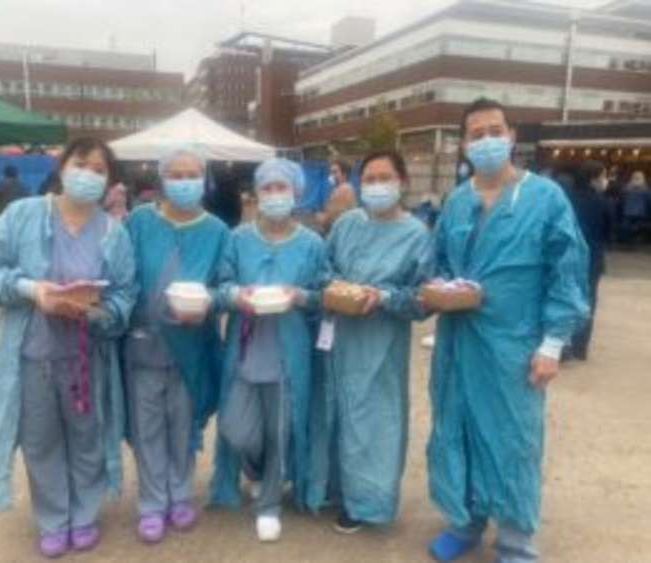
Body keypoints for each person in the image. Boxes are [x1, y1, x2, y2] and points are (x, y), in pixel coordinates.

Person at [426, 98, 588, 563]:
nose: (486, 140)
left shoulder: (544, 198)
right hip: (458, 343)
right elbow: (438, 264)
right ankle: (465, 522)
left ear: (512, 135)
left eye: (494, 130)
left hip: (513, 345)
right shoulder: (456, 201)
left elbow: (567, 271)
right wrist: (438, 286)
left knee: (515, 439)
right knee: (458, 430)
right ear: (463, 143)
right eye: (476, 134)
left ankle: (516, 539)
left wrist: (553, 344)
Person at [0, 138, 137, 559]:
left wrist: (94, 311)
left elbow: (124, 295)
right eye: (82, 164)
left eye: (100, 170)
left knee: (87, 438)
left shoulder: (114, 233)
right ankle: (52, 519)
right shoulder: (23, 216)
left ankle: (82, 515)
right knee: (40, 439)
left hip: (86, 358)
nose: (89, 175)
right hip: (33, 355)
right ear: (62, 166)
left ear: (109, 181)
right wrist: (33, 291)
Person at [307, 151, 434, 534]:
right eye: (370, 178)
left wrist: (384, 298)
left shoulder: (417, 235)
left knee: (372, 420)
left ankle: (367, 502)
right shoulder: (346, 224)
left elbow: (422, 298)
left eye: (385, 177)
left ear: (403, 182)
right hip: (336, 335)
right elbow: (322, 269)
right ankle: (331, 488)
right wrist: (334, 287)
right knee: (332, 412)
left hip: (379, 343)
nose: (376, 186)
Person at [209, 158, 326, 542]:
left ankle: (270, 502)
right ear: (256, 195)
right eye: (268, 189)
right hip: (244, 349)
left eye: (283, 188)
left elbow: (324, 293)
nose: (275, 195)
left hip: (288, 353)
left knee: (280, 430)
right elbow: (221, 285)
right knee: (238, 428)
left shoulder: (311, 243)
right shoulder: (238, 238)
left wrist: (301, 296)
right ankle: (256, 472)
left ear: (296, 193)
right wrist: (235, 295)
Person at [124, 146, 229, 544]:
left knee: (183, 424)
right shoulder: (138, 221)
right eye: (177, 174)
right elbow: (122, 273)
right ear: (162, 178)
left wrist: (208, 304)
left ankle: (180, 494)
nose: (184, 182)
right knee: (147, 426)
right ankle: (152, 504)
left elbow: (225, 284)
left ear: (204, 180)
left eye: (192, 175)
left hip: (192, 344)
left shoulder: (217, 231)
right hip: (143, 343)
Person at [564, 161, 613, 360]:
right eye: (603, 176)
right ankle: (580, 347)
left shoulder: (566, 198)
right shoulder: (603, 202)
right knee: (588, 300)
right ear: (594, 178)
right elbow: (609, 232)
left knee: (562, 296)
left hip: (564, 256)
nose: (605, 180)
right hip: (592, 258)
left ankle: (561, 345)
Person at [315, 159, 357, 234]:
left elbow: (331, 217)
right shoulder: (340, 188)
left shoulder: (343, 189)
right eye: (330, 172)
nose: (331, 176)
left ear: (344, 174)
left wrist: (321, 217)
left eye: (334, 172)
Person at [620, 170, 650, 245]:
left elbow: (622, 200)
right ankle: (637, 239)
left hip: (627, 212)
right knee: (639, 226)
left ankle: (628, 241)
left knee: (627, 227)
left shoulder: (626, 188)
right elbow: (649, 201)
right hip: (641, 213)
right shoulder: (646, 189)